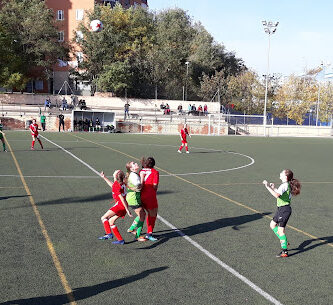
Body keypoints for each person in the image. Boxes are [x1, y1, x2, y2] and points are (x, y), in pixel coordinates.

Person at [263, 169, 301, 258]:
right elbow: (280, 193)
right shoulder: (285, 185)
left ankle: (285, 251)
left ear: (285, 177)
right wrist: (274, 188)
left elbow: (276, 195)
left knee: (281, 230)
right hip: (281, 209)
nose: (280, 173)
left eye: (282, 173)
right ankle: (283, 240)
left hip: (284, 210)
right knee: (272, 225)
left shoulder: (284, 185)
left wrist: (267, 187)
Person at [99, 170, 132, 244]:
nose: (113, 172)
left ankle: (108, 234)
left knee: (103, 218)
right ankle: (120, 240)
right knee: (111, 221)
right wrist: (104, 177)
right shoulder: (120, 183)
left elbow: (121, 198)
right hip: (124, 205)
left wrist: (127, 210)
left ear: (115, 176)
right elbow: (112, 185)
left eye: (115, 172)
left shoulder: (116, 186)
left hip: (120, 205)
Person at [125, 161, 147, 242]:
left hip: (134, 198)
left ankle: (131, 229)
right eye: (133, 164)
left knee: (142, 214)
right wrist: (142, 177)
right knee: (142, 216)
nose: (136, 163)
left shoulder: (133, 174)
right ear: (131, 168)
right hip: (133, 199)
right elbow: (139, 186)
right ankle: (137, 236)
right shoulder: (133, 176)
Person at [140, 157, 159, 241]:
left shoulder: (141, 171)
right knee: (153, 214)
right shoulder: (155, 172)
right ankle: (149, 233)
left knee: (142, 213)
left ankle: (134, 228)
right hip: (150, 195)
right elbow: (155, 185)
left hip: (141, 195)